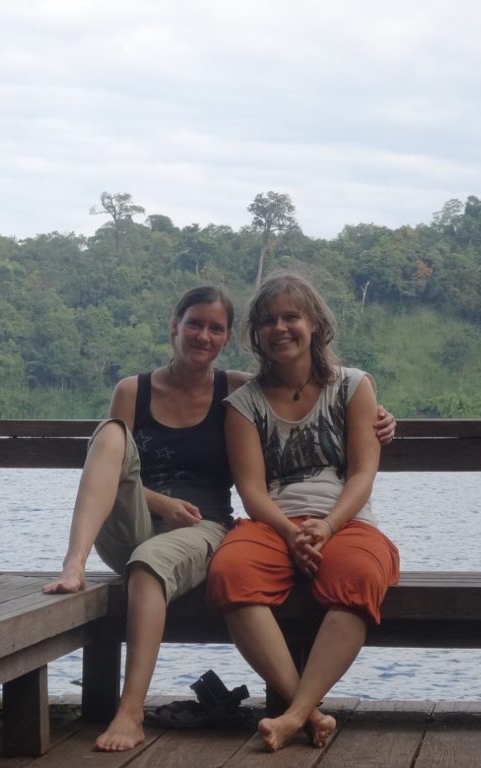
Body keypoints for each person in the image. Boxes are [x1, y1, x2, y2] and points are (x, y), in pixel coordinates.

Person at [42, 285, 395, 752]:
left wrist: (379, 418)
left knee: (354, 573)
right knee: (113, 440)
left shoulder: (256, 388)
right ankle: (74, 564)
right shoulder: (161, 391)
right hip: (179, 518)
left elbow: (341, 437)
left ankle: (282, 714)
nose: (203, 336)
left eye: (215, 328)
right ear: (174, 326)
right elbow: (126, 475)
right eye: (194, 324)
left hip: (241, 525)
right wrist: (162, 504)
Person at [205, 272, 401, 753]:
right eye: (268, 320)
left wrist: (328, 526)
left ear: (314, 323)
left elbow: (361, 474)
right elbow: (251, 491)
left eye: (291, 316)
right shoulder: (243, 404)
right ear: (257, 334)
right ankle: (309, 713)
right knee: (230, 571)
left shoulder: (353, 386)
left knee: (358, 575)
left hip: (346, 520)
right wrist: (290, 534)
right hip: (272, 523)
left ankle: (291, 716)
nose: (280, 328)